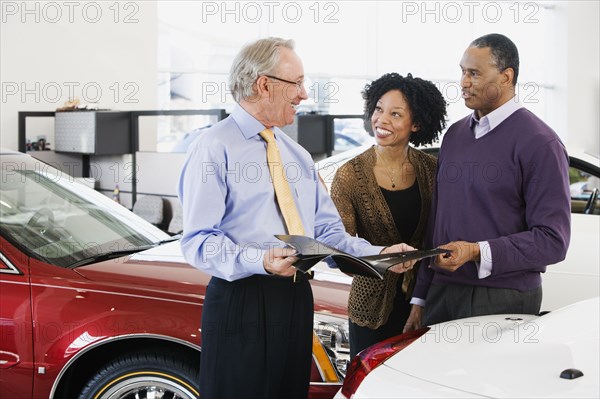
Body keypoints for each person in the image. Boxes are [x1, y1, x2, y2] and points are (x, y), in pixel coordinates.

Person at [178, 37, 415, 399]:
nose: (304, 94)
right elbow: (198, 241)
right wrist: (261, 260)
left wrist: (379, 255)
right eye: (298, 83)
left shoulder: (297, 155)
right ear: (264, 84)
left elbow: (326, 233)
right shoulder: (213, 147)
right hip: (242, 300)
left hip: (295, 298)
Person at [407, 33, 571, 328]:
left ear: (506, 77)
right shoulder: (454, 136)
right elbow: (438, 222)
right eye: (462, 71)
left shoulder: (540, 143)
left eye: (474, 73)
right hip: (442, 292)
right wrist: (420, 298)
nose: (463, 83)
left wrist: (475, 251)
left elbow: (553, 241)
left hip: (503, 297)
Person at [330, 73, 447, 357]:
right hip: (370, 308)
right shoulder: (349, 176)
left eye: (395, 114)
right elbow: (339, 251)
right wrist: (383, 259)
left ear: (416, 124)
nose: (382, 120)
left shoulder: (432, 171)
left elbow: (440, 234)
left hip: (425, 300)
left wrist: (420, 301)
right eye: (379, 109)